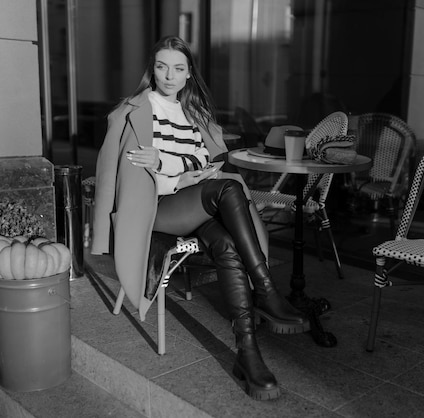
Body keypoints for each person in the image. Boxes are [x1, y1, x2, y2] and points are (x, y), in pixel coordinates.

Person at [91, 35, 309, 401]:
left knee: (226, 243)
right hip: (157, 211)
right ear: (152, 70)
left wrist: (173, 166)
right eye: (162, 67)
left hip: (193, 203)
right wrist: (176, 172)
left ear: (189, 73)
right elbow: (137, 181)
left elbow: (208, 164)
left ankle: (248, 354)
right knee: (228, 190)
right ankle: (267, 291)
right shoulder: (133, 113)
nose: (169, 76)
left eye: (178, 68)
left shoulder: (197, 116)